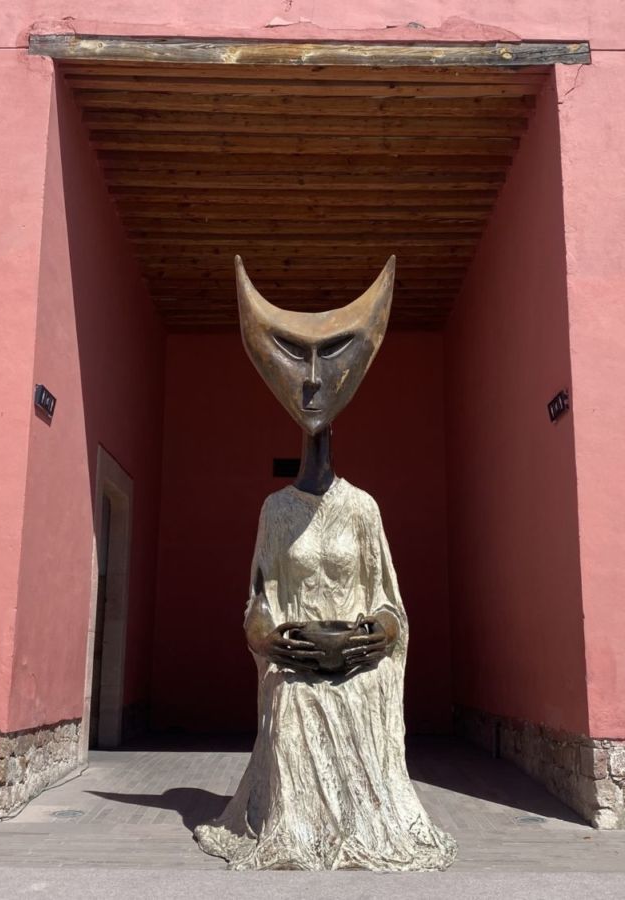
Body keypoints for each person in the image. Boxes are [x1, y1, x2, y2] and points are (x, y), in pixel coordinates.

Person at [194, 257, 457, 872]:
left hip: (355, 660)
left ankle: (367, 817)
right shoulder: (275, 511)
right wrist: (268, 636)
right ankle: (296, 822)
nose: (313, 381)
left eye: (330, 358)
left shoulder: (362, 509)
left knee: (363, 689)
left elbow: (388, 601)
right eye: (296, 358)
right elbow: (258, 601)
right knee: (291, 700)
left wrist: (379, 633)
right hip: (296, 661)